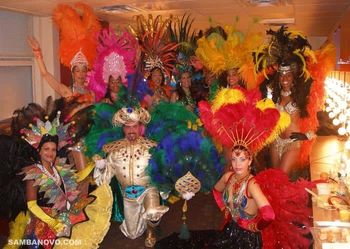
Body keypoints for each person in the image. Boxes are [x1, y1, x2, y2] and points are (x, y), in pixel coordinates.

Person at [94, 106, 169, 248]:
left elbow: (163, 170)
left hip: (148, 189)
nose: (131, 131)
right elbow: (104, 180)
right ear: (123, 129)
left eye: (134, 126)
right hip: (128, 194)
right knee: (132, 234)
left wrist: (166, 189)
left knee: (153, 212)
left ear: (140, 127)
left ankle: (150, 231)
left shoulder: (151, 147)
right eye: (127, 127)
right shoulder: (114, 151)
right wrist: (101, 167)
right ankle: (142, 217)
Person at [211, 145, 274, 248]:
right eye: (234, 159)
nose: (237, 164)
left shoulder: (252, 185)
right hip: (230, 228)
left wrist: (256, 227)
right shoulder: (228, 177)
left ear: (249, 161)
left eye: (242, 159)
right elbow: (216, 191)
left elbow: (269, 215)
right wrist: (223, 207)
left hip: (247, 238)